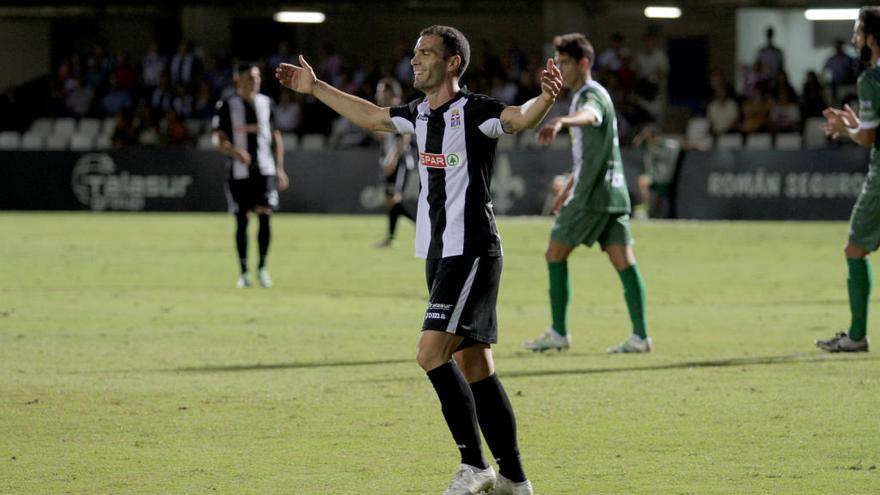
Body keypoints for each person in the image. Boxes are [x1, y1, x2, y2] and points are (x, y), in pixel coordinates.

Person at [276, 24, 562, 495]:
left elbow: (519, 118)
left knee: (430, 353)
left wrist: (546, 100)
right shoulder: (417, 115)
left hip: (471, 251)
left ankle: (475, 466)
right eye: (414, 52)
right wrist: (315, 87)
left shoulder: (475, 111)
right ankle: (514, 476)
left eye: (427, 53)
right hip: (438, 253)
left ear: (453, 63)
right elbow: (372, 117)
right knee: (476, 367)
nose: (415, 59)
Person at [523, 33, 651, 354]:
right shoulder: (594, 94)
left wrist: (562, 121)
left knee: (555, 254)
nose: (561, 70)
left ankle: (558, 332)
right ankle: (640, 337)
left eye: (565, 63)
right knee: (624, 261)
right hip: (613, 193)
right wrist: (566, 186)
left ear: (584, 63)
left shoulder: (589, 96)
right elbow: (590, 153)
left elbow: (590, 117)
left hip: (592, 195)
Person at [816, 6, 880, 353]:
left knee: (855, 247)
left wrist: (847, 129)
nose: (855, 39)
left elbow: (869, 139)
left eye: (858, 33)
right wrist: (860, 124)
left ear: (871, 38)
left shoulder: (870, 79)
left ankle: (856, 336)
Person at [212, 62, 289, 288]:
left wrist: (280, 168)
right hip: (239, 173)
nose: (254, 81)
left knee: (265, 216)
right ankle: (244, 271)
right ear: (238, 80)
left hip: (265, 170)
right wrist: (235, 152)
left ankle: (263, 268)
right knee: (242, 220)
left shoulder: (267, 103)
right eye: (249, 77)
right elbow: (217, 139)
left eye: (256, 77)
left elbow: (276, 138)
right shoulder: (227, 104)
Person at [372, 77, 416, 248]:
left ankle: (423, 227)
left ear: (390, 92)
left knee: (393, 199)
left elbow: (405, 136)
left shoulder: (398, 108)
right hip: (392, 159)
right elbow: (387, 136)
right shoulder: (386, 110)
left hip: (400, 160)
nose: (378, 94)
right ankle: (390, 239)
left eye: (381, 90)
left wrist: (393, 158)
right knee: (390, 200)